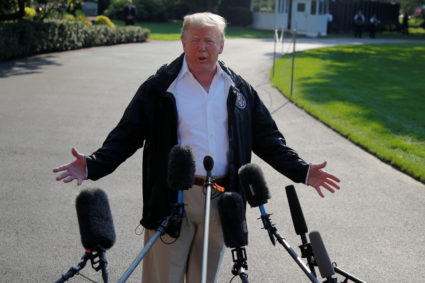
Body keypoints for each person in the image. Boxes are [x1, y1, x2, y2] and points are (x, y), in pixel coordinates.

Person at [53, 12, 340, 283]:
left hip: (222, 196)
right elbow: (126, 135)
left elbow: (267, 139)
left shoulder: (239, 89)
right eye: (195, 41)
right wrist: (92, 164)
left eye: (209, 41)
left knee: (205, 277)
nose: (202, 48)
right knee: (165, 277)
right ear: (183, 43)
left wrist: (302, 171)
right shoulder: (160, 87)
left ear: (222, 45)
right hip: (173, 196)